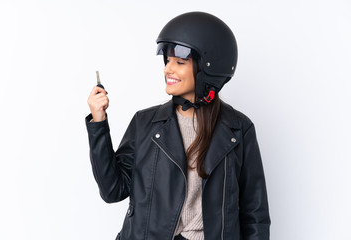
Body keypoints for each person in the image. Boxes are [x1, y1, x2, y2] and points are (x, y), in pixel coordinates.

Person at [85, 11, 270, 240]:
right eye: (168, 61)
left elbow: (255, 215)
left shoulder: (238, 130)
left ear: (208, 70)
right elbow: (112, 191)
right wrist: (98, 122)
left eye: (180, 62)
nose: (167, 69)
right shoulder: (145, 124)